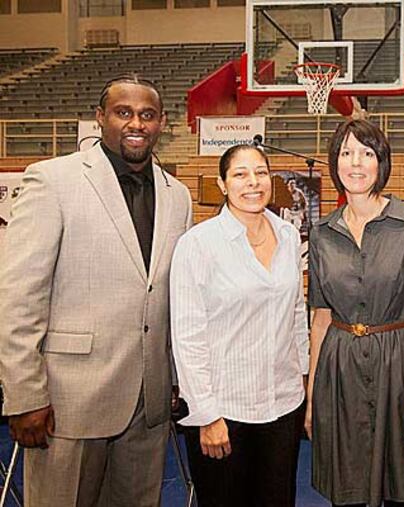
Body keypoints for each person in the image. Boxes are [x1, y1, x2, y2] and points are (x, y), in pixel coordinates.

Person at [0, 74, 193, 506]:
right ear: (100, 118)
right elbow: (19, 296)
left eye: (147, 115)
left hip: (149, 402)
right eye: (123, 113)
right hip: (68, 401)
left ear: (162, 122)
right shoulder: (52, 180)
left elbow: (171, 296)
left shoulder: (177, 195)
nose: (136, 124)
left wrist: (177, 379)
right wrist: (26, 395)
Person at [306, 119, 404, 507]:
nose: (355, 163)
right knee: (345, 493)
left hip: (400, 372)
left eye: (366, 153)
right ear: (334, 163)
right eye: (346, 153)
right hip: (340, 374)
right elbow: (319, 318)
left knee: (401, 494)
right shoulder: (321, 233)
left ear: (382, 163)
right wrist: (313, 394)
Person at [170, 144, 308, 506]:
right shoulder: (198, 245)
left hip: (283, 404)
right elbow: (187, 336)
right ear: (222, 183)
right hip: (225, 411)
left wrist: (304, 376)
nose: (253, 182)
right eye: (240, 174)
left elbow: (295, 312)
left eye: (260, 172)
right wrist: (206, 415)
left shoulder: (289, 236)